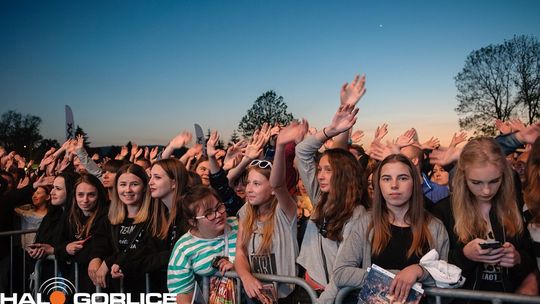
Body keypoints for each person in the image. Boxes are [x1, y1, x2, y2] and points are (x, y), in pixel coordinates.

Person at [333, 154, 449, 303]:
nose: (394, 185)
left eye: (402, 178)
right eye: (387, 179)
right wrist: (394, 277)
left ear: (414, 182)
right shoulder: (365, 223)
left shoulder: (434, 227)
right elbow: (341, 272)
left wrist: (419, 271)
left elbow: (446, 280)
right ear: (378, 184)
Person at [432, 137, 537, 295]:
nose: (486, 191)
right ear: (463, 177)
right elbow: (431, 266)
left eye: (494, 181)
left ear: (504, 175)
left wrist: (518, 258)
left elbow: (533, 257)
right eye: (476, 182)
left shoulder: (517, 206)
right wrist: (464, 255)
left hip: (510, 297)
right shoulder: (443, 210)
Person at [295, 103, 369, 301]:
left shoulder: (357, 213)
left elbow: (341, 272)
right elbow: (302, 151)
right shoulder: (320, 198)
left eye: (328, 170)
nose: (321, 176)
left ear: (344, 173)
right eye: (319, 170)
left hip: (334, 296)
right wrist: (330, 131)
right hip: (307, 288)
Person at [234, 122, 304, 303]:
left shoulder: (284, 211)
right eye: (248, 183)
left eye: (256, 184)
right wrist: (246, 277)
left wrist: (280, 147)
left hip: (286, 298)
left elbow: (279, 184)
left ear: (271, 189)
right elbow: (240, 252)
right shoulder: (245, 211)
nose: (249, 189)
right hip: (256, 294)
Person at [89, 164, 165, 294]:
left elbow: (147, 251)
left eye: (134, 184)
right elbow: (99, 242)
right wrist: (95, 258)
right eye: (122, 184)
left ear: (145, 187)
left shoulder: (155, 217)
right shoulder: (109, 217)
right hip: (115, 291)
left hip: (145, 290)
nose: (128, 190)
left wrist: (110, 262)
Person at [167, 185, 238, 303]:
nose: (218, 215)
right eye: (209, 213)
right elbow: (181, 292)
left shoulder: (239, 225)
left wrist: (238, 268)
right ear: (193, 221)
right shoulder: (184, 248)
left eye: (219, 207)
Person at [55, 174, 108, 292]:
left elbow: (101, 246)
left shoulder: (107, 215)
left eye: (91, 195)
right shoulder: (69, 216)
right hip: (75, 280)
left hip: (100, 283)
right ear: (74, 195)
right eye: (80, 195)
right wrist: (66, 248)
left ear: (99, 195)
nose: (85, 200)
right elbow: (57, 244)